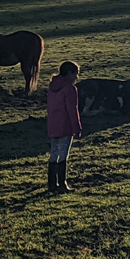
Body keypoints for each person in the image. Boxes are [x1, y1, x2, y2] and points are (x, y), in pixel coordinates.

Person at [46, 61, 81, 194]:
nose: (76, 77)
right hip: (65, 124)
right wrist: (76, 127)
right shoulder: (70, 89)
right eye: (75, 74)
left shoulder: (52, 87)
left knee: (54, 153)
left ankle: (52, 183)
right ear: (69, 74)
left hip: (53, 123)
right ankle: (62, 183)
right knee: (64, 154)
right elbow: (72, 109)